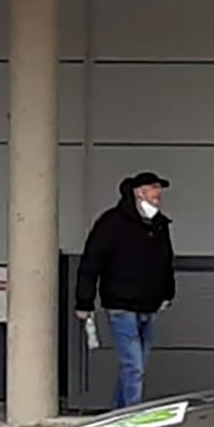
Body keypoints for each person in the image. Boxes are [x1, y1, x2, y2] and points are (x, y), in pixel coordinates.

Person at [75, 171, 175, 409]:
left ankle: (119, 414)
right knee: (134, 366)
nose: (158, 194)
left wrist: (167, 293)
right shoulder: (112, 223)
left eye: (159, 188)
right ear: (139, 192)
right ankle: (132, 416)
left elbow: (166, 261)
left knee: (134, 366)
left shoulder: (159, 224)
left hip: (148, 305)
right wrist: (84, 301)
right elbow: (91, 262)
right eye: (153, 188)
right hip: (121, 306)